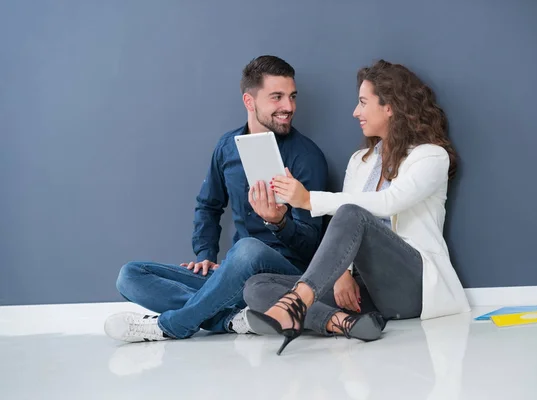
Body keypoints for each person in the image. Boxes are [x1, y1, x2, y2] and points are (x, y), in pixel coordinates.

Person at [242, 60, 471, 355]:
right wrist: (342, 274)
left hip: (415, 287)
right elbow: (345, 227)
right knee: (256, 286)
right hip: (367, 292)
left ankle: (300, 303)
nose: (356, 112)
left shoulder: (431, 157)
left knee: (352, 211)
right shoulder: (359, 160)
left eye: (363, 102)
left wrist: (309, 200)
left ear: (390, 107)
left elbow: (388, 202)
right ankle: (339, 322)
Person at [104, 55, 328, 342]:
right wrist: (206, 255)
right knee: (130, 275)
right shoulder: (227, 148)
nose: (289, 107)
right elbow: (208, 206)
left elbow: (312, 244)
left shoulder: (306, 157)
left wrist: (279, 222)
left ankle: (173, 325)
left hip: (281, 277)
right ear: (250, 102)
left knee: (248, 248)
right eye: (277, 97)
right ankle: (231, 320)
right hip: (231, 274)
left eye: (292, 97)